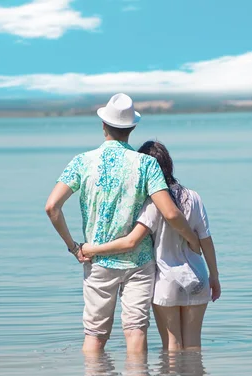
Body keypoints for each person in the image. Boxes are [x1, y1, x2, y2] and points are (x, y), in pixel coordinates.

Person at [45, 93, 201, 355]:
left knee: (94, 336)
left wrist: (74, 247)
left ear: (104, 126)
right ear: (132, 128)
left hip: (97, 260)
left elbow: (51, 207)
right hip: (138, 263)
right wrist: (192, 240)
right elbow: (171, 214)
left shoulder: (82, 161)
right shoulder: (146, 164)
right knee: (136, 331)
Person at [81, 141, 221, 351]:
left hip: (167, 279)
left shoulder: (152, 203)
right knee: (193, 347)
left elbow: (131, 241)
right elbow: (207, 241)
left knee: (172, 347)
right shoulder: (194, 197)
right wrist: (214, 276)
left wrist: (90, 249)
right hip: (198, 276)